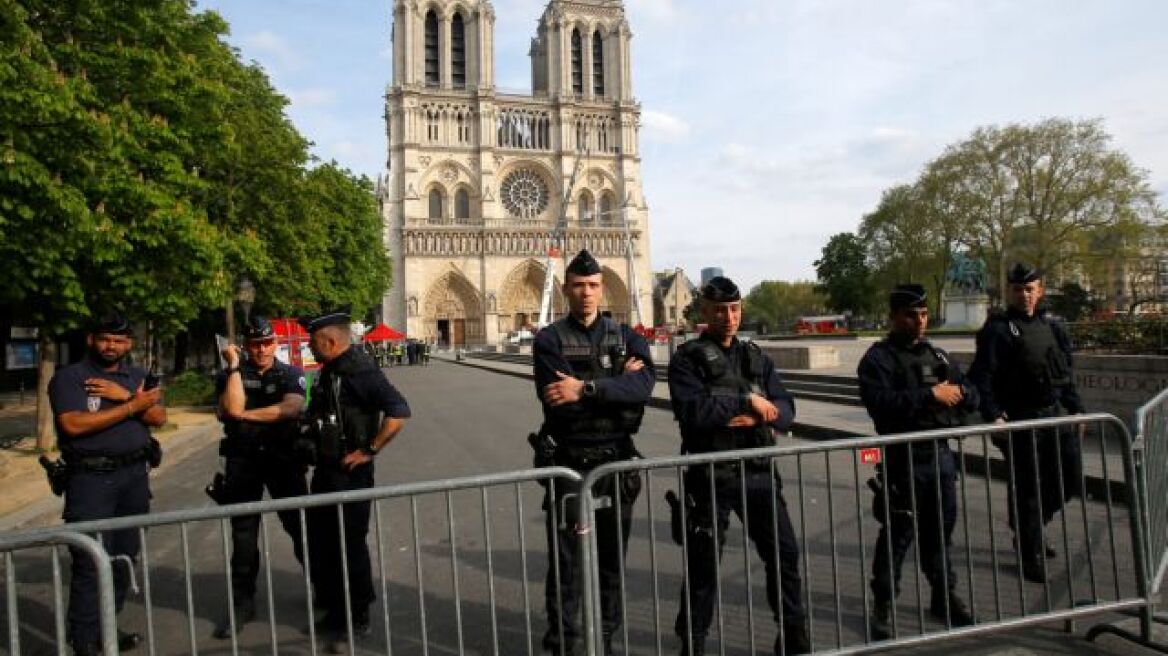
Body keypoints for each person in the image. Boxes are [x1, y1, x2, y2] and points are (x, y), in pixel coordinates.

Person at [668, 276, 810, 656]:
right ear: (704, 312)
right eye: (719, 310)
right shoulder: (686, 359)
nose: (728, 317)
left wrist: (764, 413)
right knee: (704, 567)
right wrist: (748, 403)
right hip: (711, 476)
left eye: (734, 309)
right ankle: (694, 641)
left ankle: (794, 635)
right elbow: (693, 412)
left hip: (759, 472)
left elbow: (786, 408)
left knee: (786, 555)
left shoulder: (756, 356)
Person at [532, 249, 655, 656]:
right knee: (566, 563)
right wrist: (617, 384)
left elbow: (644, 389)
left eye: (594, 285)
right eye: (579, 285)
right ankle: (563, 642)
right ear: (565, 288)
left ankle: (606, 638)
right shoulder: (549, 340)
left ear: (603, 288)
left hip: (616, 460)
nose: (587, 292)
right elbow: (557, 403)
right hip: (569, 462)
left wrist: (585, 388)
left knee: (610, 562)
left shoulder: (629, 336)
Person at [856, 284, 978, 640]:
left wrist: (961, 393)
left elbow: (972, 392)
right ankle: (882, 603)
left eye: (924, 314)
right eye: (911, 315)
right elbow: (880, 402)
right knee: (897, 535)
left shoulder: (937, 356)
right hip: (902, 462)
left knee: (940, 533)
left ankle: (943, 595)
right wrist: (929, 395)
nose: (919, 321)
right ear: (894, 317)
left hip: (939, 458)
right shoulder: (877, 359)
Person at [49, 314, 166, 656]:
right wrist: (131, 404)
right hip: (91, 480)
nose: (111, 346)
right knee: (89, 560)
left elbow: (158, 417)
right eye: (104, 339)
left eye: (119, 340)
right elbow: (73, 425)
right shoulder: (70, 377)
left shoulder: (137, 376)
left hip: (133, 477)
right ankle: (84, 640)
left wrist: (125, 394)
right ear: (91, 340)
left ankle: (106, 631)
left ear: (129, 343)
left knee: (123, 558)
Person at [299, 309, 410, 653]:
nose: (309, 347)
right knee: (324, 544)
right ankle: (335, 610)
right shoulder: (331, 369)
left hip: (350, 476)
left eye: (312, 342)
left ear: (330, 341)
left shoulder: (360, 371)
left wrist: (369, 449)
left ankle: (357, 614)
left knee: (349, 545)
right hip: (327, 472)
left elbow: (399, 411)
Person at [969, 263, 1085, 582]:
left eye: (1030, 288)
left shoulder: (1053, 327)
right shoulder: (997, 330)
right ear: (1009, 292)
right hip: (1019, 419)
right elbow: (982, 375)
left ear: (1041, 290)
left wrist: (1076, 409)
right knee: (1028, 489)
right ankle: (1030, 550)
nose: (1025, 295)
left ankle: (1028, 527)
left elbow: (1065, 372)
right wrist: (993, 413)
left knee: (1069, 480)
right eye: (1018, 289)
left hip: (1052, 415)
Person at [211, 316, 309, 638]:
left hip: (283, 461)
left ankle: (324, 592)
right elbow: (229, 407)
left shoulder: (290, 373)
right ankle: (242, 602)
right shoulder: (230, 375)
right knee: (243, 535)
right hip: (244, 462)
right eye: (255, 344)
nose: (262, 349)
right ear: (245, 346)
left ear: (276, 343)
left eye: (267, 342)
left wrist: (244, 416)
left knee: (300, 529)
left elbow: (291, 408)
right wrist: (235, 368)